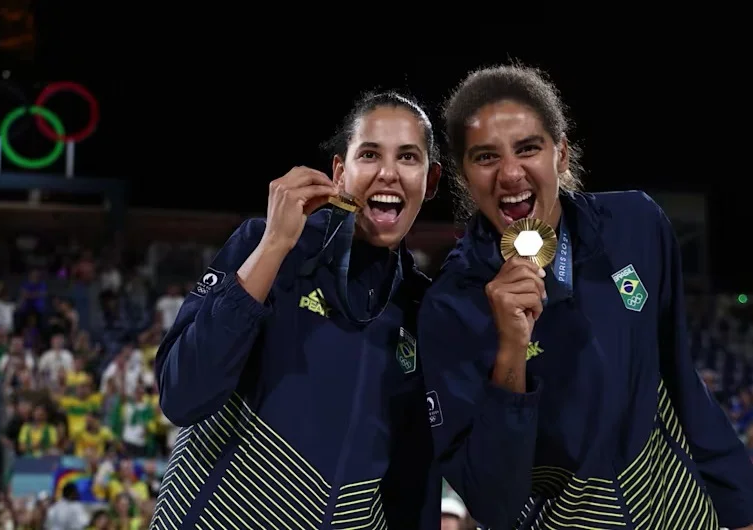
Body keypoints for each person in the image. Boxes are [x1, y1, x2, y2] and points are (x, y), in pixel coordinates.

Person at [420, 64, 753, 529]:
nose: (511, 173)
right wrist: (511, 351)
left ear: (561, 154)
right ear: (463, 175)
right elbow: (493, 503)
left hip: (680, 512)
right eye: (485, 157)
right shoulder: (450, 307)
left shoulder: (637, 225)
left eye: (528, 148)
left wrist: (742, 508)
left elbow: (682, 380)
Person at [150, 92, 446, 528]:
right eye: (369, 154)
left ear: (431, 180)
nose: (388, 173)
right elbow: (182, 394)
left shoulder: (422, 311)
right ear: (339, 172)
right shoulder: (269, 246)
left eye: (408, 157)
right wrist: (273, 245)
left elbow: (412, 486)